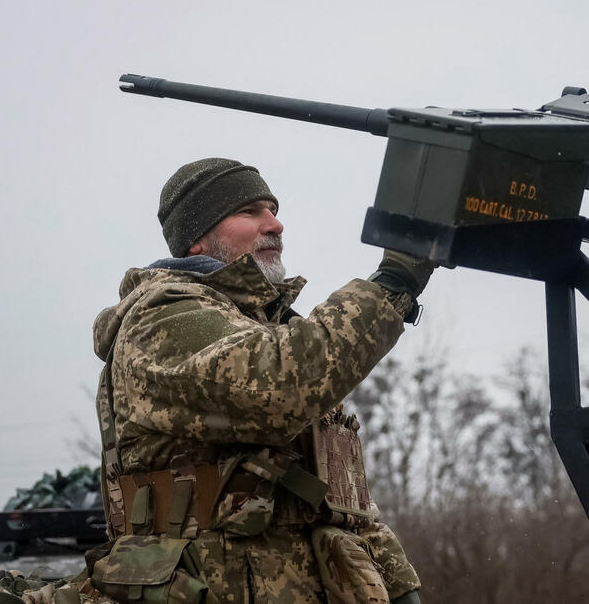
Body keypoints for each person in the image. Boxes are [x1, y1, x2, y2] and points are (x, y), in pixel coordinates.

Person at [91, 158, 431, 603]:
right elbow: (277, 388)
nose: (276, 224)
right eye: (251, 212)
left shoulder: (266, 328)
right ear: (197, 238)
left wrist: (399, 587)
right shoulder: (163, 319)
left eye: (273, 209)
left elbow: (344, 506)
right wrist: (393, 281)